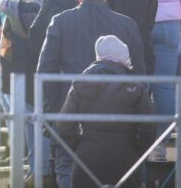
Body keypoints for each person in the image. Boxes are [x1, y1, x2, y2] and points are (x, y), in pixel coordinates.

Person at [36, 0, 145, 188]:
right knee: (121, 172)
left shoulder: (61, 21)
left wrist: (58, 105)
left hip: (72, 109)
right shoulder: (127, 24)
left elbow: (44, 71)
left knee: (67, 165)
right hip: (118, 114)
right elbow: (139, 74)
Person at [56, 35, 155, 188]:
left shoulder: (80, 82)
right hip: (126, 158)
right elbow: (149, 126)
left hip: (87, 158)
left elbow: (64, 125)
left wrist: (80, 146)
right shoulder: (135, 85)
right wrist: (138, 150)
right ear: (124, 59)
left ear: (98, 57)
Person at [19, 0, 81, 182]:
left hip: (63, 73)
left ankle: (42, 172)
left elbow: (37, 33)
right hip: (93, 71)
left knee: (61, 133)